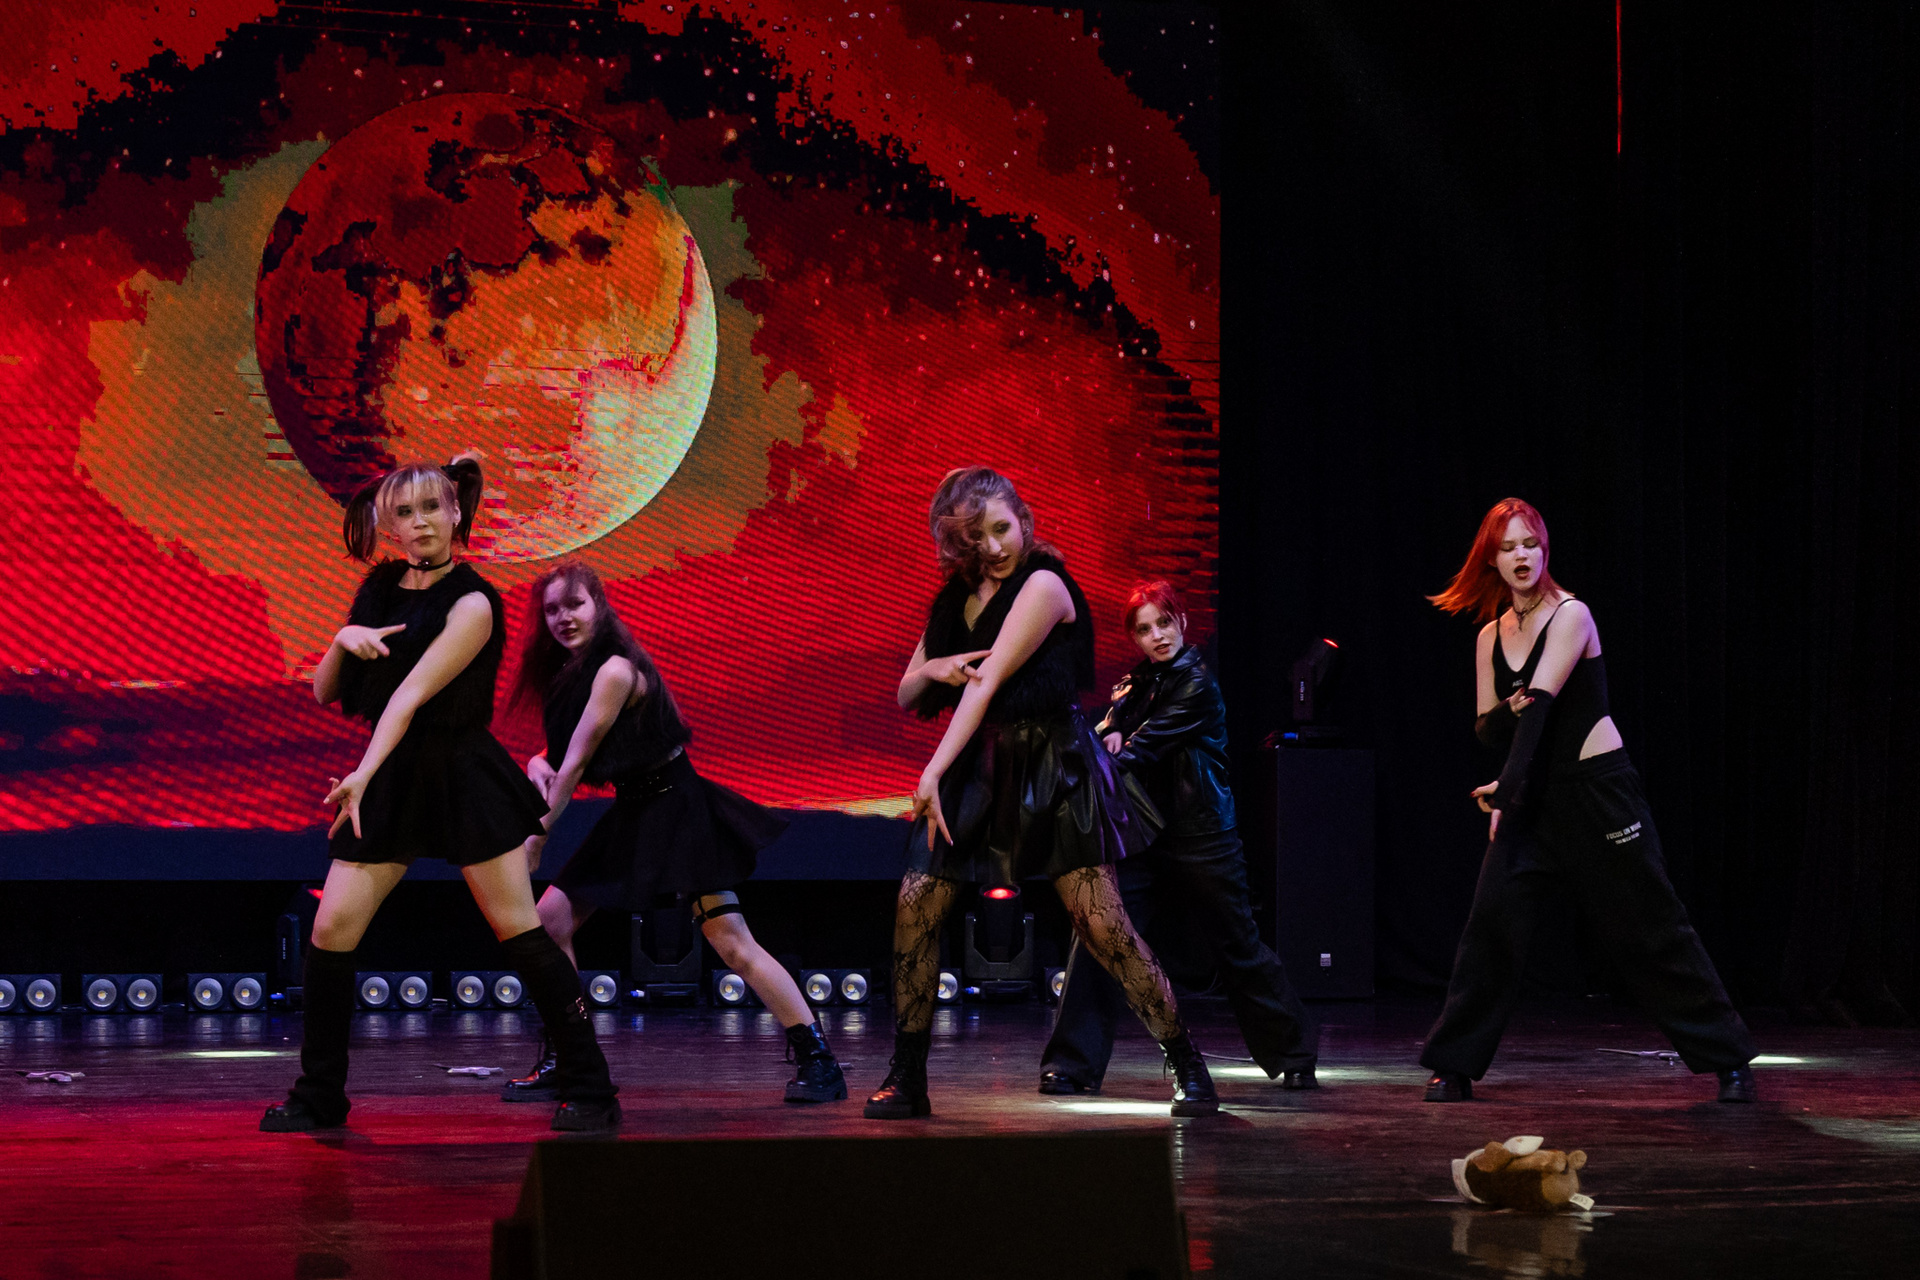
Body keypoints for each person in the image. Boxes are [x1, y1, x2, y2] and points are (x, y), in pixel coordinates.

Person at [261, 457, 619, 1134]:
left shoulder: (474, 601)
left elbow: (410, 696)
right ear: (387, 526)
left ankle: (591, 1087)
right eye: (405, 512)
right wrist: (342, 639)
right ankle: (319, 1095)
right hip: (392, 774)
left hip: (459, 775)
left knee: (519, 930)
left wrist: (363, 772)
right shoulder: (379, 589)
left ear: (456, 513)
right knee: (330, 932)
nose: (420, 522)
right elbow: (326, 690)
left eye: (432, 507)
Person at [866, 466, 1217, 1120]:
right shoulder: (956, 598)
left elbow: (988, 680)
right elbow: (910, 690)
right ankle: (907, 1075)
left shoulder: (1044, 584)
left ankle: (1186, 1062)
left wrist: (931, 771)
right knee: (915, 907)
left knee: (1104, 926)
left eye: (1003, 528)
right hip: (981, 765)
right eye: (978, 536)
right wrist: (938, 665)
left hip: (1054, 764)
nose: (996, 546)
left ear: (1023, 520)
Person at [1420, 498, 1758, 1104]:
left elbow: (1540, 709)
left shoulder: (1571, 615)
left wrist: (1506, 787)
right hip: (1532, 798)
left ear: (1544, 548)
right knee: (1491, 925)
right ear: (1491, 559)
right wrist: (1510, 748)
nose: (1521, 556)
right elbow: (1487, 729)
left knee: (1651, 928)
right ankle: (1453, 1064)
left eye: (1530, 544)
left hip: (1597, 791)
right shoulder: (1490, 636)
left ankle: (1729, 1060)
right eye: (1508, 547)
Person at [499, 561, 846, 1105]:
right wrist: (536, 762)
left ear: (599, 606)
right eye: (552, 610)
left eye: (575, 605)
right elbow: (567, 752)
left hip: (677, 810)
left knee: (732, 943)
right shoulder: (573, 674)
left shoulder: (615, 671)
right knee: (551, 920)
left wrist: (537, 839)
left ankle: (819, 1060)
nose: (564, 618)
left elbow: (578, 762)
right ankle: (571, 1058)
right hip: (636, 811)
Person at [1039, 581, 1320, 1094]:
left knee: (1237, 943)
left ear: (1182, 622)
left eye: (1164, 623)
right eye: (1145, 629)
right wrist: (1109, 731)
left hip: (1201, 833)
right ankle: (1071, 1065)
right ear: (1135, 637)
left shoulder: (1197, 684)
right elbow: (1110, 731)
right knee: (1101, 933)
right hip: (1141, 835)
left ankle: (1294, 1052)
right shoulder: (1132, 685)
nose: (1158, 636)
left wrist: (1107, 745)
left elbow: (1138, 750)